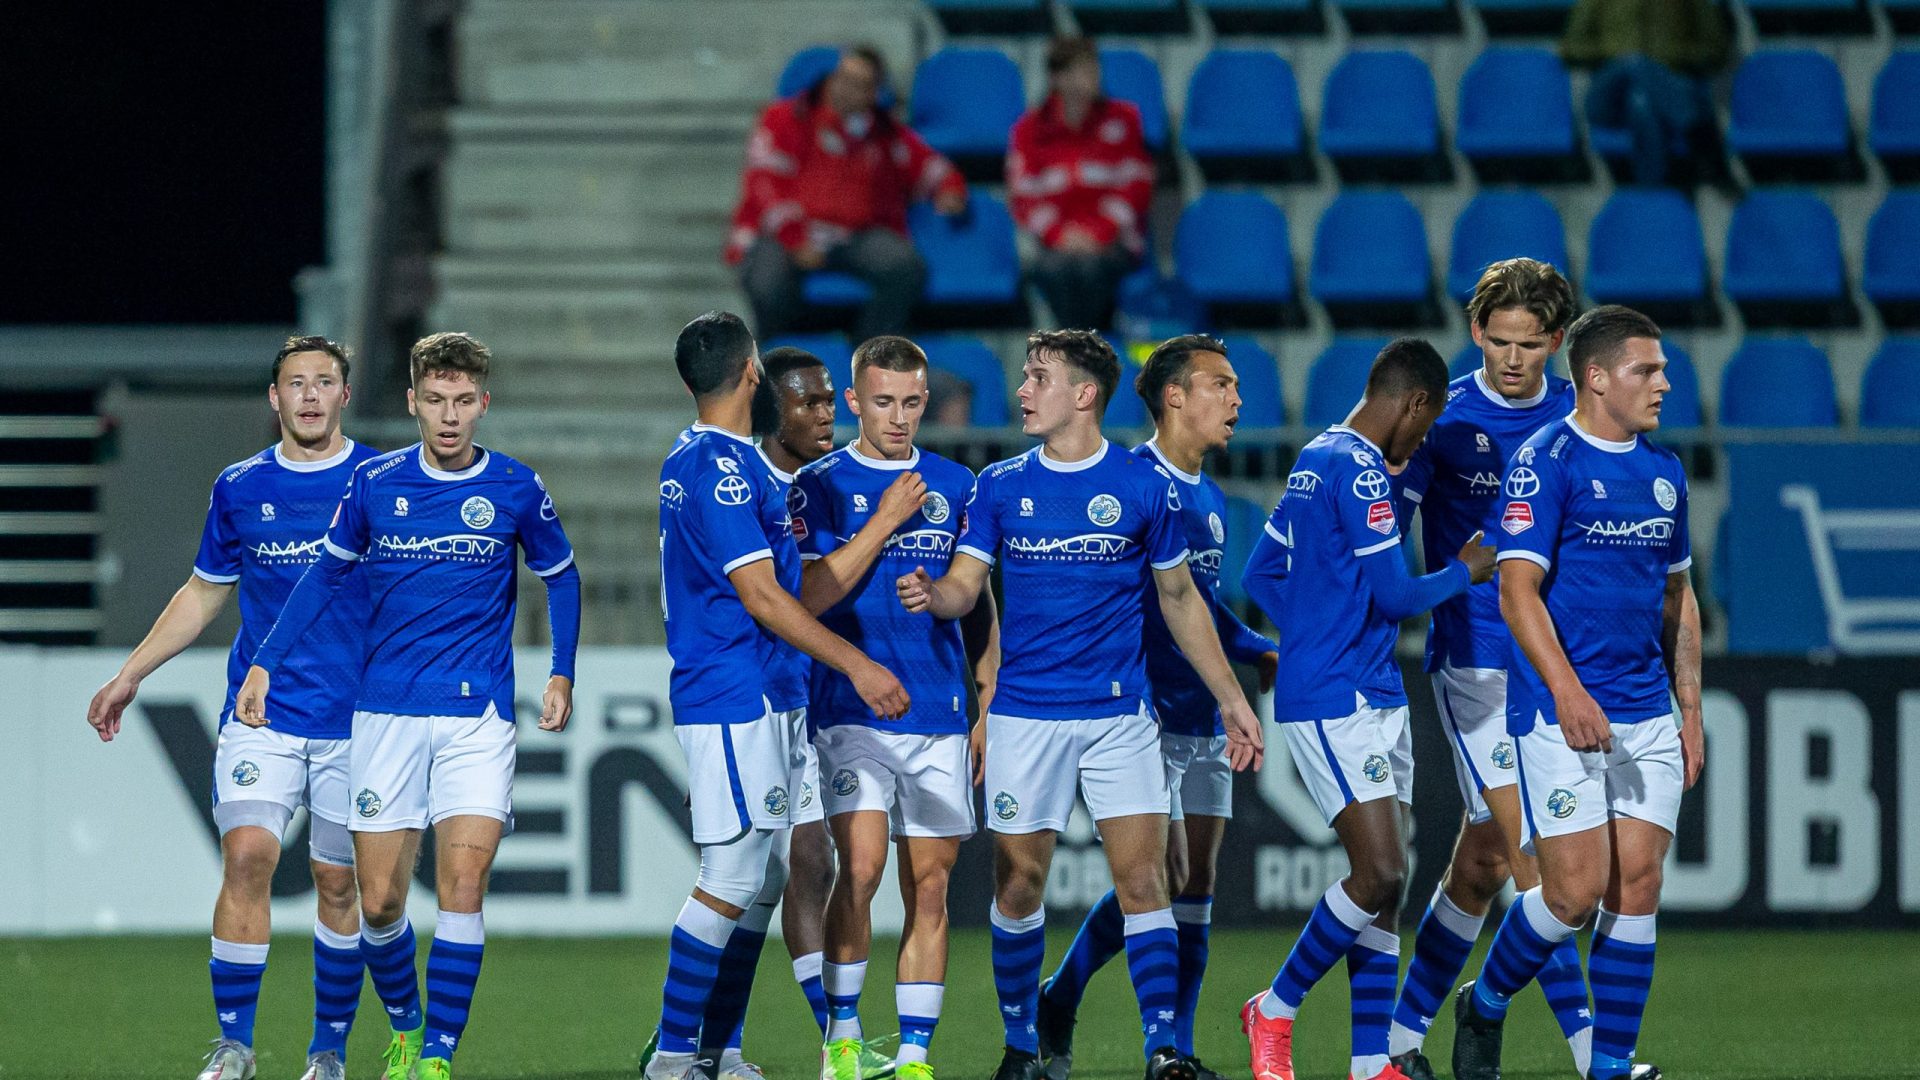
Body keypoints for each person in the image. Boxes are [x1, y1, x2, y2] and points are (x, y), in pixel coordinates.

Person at [897, 329, 1264, 1080]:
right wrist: (937, 596)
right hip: (1026, 716)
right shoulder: (998, 484)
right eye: (1026, 377)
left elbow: (1180, 598)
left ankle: (1163, 1049)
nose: (1023, 391)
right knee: (1017, 883)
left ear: (1084, 394)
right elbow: (969, 584)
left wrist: (1231, 697)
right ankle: (1022, 1046)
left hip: (1119, 717)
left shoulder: (1141, 486)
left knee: (1145, 882)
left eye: (1038, 378)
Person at [234, 332, 582, 1080]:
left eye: (463, 402)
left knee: (462, 887)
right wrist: (263, 662)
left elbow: (563, 575)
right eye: (435, 401)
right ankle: (407, 1022)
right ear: (412, 403)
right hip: (384, 714)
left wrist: (560, 672)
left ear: (482, 404)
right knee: (383, 904)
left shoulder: (517, 488)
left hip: (476, 719)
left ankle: (436, 1057)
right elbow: (322, 579)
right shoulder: (374, 485)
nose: (449, 417)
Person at [87, 336, 380, 1080]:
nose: (309, 395)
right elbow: (203, 593)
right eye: (295, 383)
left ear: (344, 396)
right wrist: (132, 673)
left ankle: (328, 1052)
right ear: (273, 399)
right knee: (248, 857)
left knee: (340, 884)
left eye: (324, 382)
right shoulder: (240, 486)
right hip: (263, 713)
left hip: (362, 719)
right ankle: (235, 1046)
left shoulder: (382, 480)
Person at [645, 312, 909, 1080]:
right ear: (752, 372)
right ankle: (669, 1057)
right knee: (729, 875)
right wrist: (857, 666)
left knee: (763, 878)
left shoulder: (729, 463)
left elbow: (794, 588)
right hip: (732, 691)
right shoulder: (717, 469)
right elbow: (761, 596)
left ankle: (718, 1051)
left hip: (772, 691)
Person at [1451, 306, 1703, 1080]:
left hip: (1645, 710)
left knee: (1640, 885)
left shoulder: (1665, 474)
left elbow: (1679, 598)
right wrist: (1567, 692)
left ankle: (1610, 1067)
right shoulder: (1545, 460)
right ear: (1596, 377)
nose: (1664, 382)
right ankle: (1486, 1001)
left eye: (1662, 369)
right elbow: (1516, 593)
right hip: (1559, 712)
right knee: (1573, 894)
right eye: (1646, 369)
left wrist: (1690, 711)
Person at [1238, 339, 1496, 1080]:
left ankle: (1370, 1063)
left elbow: (1263, 570)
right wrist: (1465, 569)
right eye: (1426, 426)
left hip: (1371, 686)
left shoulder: (1316, 455)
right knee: (1379, 871)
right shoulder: (1357, 471)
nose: (1419, 446)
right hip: (1337, 695)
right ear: (1415, 405)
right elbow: (1397, 596)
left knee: (1389, 888)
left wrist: (1314, 627)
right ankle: (1276, 1008)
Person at [1035, 336, 1277, 1080]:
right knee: (1161, 878)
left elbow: (1197, 605)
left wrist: (1257, 647)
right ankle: (1153, 1046)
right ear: (1174, 396)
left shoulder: (1207, 493)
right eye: (1220, 385)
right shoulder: (1134, 480)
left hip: (1201, 712)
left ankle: (1089, 1007)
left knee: (1194, 885)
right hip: (1140, 715)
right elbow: (1151, 604)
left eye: (1237, 387)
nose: (1236, 400)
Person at [1384, 260, 1599, 1080]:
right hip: (1473, 662)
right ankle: (1593, 1058)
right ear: (1477, 333)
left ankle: (1402, 1043)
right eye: (1499, 341)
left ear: (1556, 341)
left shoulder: (1581, 422)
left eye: (1531, 344)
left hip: (1549, 667)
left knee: (1479, 862)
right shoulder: (1441, 420)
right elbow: (1381, 533)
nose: (1514, 358)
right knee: (1537, 867)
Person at [798, 336, 1000, 1080]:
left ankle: (914, 1053)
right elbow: (807, 599)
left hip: (938, 711)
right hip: (850, 711)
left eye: (911, 403)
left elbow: (975, 600)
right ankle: (843, 1038)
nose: (899, 417)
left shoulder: (958, 483)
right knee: (860, 868)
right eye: (882, 402)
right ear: (854, 401)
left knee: (932, 885)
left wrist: (985, 697)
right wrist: (883, 520)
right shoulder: (818, 485)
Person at [754, 343, 934, 1080]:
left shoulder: (815, 481)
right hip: (770, 696)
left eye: (831, 400)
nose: (825, 415)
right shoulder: (785, 489)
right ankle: (699, 1037)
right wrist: (886, 519)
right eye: (810, 403)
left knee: (796, 870)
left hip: (812, 699)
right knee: (774, 872)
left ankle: (818, 1039)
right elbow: (804, 594)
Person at [728, 45, 968, 341]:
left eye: (862, 85)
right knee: (766, 280)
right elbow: (765, 184)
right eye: (844, 79)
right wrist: (794, 236)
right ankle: (777, 355)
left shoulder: (884, 134)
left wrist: (949, 189)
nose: (849, 90)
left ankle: (870, 354)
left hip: (853, 236)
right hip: (784, 233)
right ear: (829, 79)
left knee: (905, 266)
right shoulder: (784, 119)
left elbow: (932, 167)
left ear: (873, 93)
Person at [1008, 36, 1154, 331]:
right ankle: (1082, 347)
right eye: (1083, 70)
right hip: (1058, 245)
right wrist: (1059, 234)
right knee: (1052, 268)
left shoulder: (1123, 119)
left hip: (1113, 242)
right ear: (1058, 78)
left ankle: (1080, 349)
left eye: (1094, 68)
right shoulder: (1029, 130)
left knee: (1090, 269)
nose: (1094, 76)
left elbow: (1137, 184)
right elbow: (1023, 195)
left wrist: (1100, 231)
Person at [1561, 0, 1729, 187]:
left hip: (1664, 90)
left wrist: (1665, 59)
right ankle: (1700, 134)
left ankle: (1651, 194)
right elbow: (1571, 48)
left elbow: (1715, 49)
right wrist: (1618, 54)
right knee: (1634, 62)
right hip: (1610, 95)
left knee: (1641, 101)